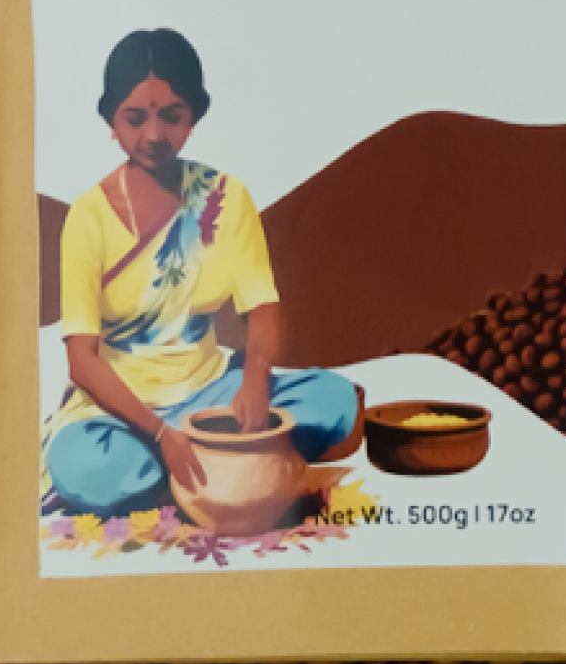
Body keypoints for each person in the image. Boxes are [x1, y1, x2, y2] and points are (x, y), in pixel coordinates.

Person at [45, 27, 362, 518]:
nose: (154, 135)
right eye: (135, 118)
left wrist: (254, 378)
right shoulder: (89, 217)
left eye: (172, 116)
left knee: (334, 399)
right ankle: (224, 461)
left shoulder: (225, 197)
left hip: (211, 394)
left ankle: (186, 471)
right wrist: (160, 433)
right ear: (110, 119)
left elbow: (263, 308)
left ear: (194, 115)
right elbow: (82, 361)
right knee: (81, 467)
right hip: (122, 416)